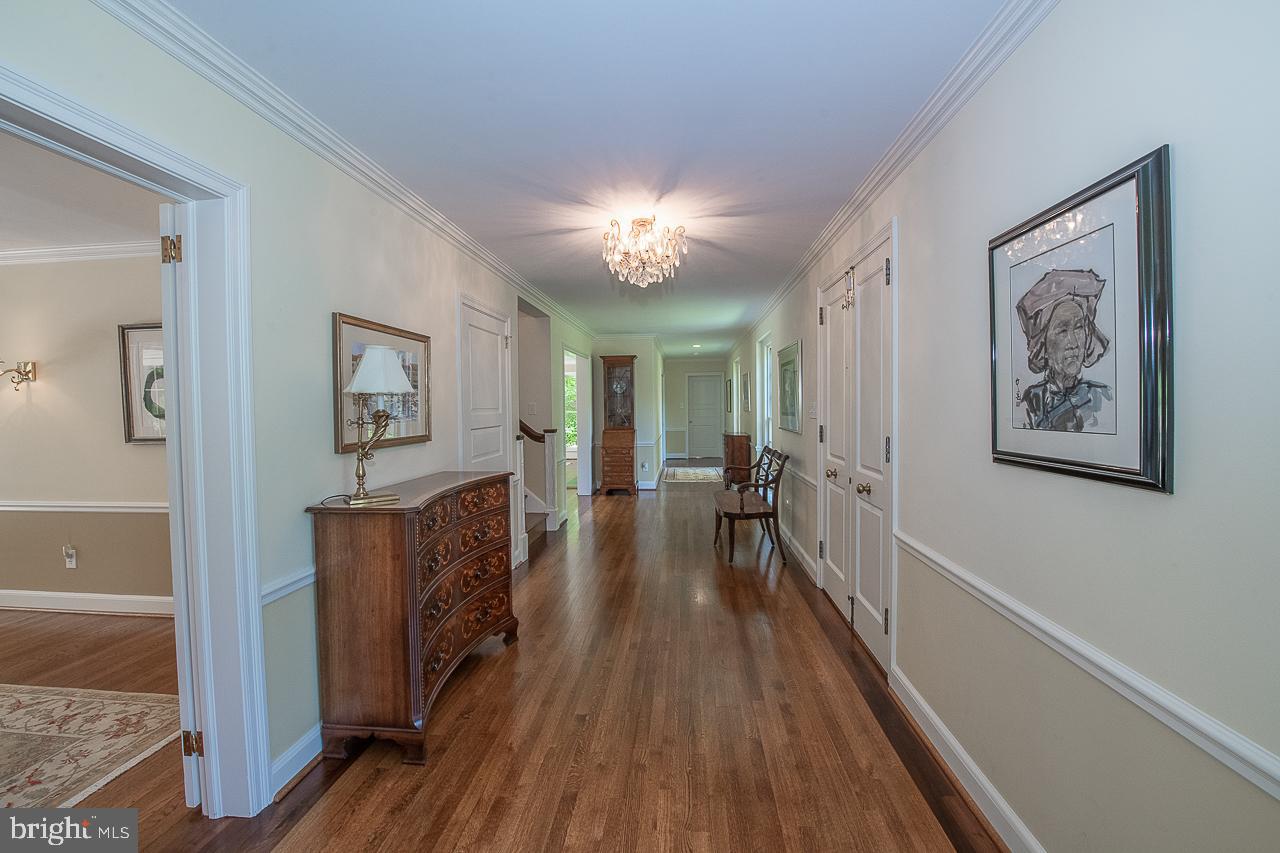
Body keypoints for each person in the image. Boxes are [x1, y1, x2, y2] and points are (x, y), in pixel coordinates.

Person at [1015, 269, 1112, 431]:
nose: (1073, 343)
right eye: (1062, 330)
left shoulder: (1103, 398)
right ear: (1043, 344)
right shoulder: (1031, 402)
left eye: (1079, 327)